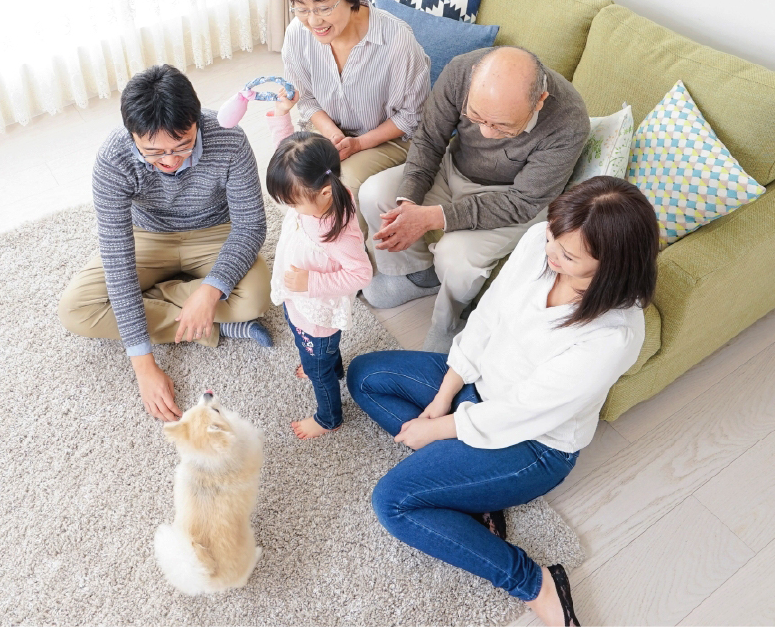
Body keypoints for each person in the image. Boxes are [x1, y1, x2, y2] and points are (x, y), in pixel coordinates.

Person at [348, 176, 660, 627]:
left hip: (534, 443)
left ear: (611, 266)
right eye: (553, 236)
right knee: (365, 376)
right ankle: (474, 489)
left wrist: (436, 430)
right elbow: (487, 317)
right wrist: (444, 395)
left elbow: (524, 410)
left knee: (393, 502)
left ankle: (534, 582)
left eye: (568, 256)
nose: (551, 252)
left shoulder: (615, 334)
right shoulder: (539, 242)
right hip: (477, 384)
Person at [58, 64, 272, 422]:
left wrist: (210, 291)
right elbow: (117, 257)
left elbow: (251, 226)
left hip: (214, 233)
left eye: (183, 145)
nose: (170, 160)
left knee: (257, 296)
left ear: (196, 122)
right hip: (147, 237)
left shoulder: (229, 137)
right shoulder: (113, 157)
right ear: (132, 135)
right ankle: (216, 326)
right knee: (76, 310)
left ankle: (174, 298)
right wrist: (144, 366)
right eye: (154, 152)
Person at [359, 46, 590, 353]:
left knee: (457, 258)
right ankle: (414, 275)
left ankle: (447, 323)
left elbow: (523, 202)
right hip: (452, 168)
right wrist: (410, 205)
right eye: (476, 117)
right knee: (374, 193)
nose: (486, 133)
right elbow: (429, 139)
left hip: (511, 199)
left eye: (503, 126)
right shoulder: (460, 70)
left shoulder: (569, 120)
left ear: (539, 101)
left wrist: (433, 217)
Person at [280, 0, 430, 239]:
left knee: (340, 182)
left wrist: (359, 144)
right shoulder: (297, 34)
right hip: (329, 130)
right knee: (296, 176)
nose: (313, 21)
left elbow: (411, 117)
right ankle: (316, 248)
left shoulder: (396, 40)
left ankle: (353, 255)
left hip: (390, 138)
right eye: (302, 8)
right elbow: (305, 98)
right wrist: (333, 134)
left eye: (324, 8)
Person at [264, 88, 374, 440]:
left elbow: (362, 273)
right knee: (315, 352)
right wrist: (282, 115)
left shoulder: (336, 231)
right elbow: (289, 159)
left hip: (317, 317)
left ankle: (329, 418)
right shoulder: (315, 188)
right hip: (300, 302)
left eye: (293, 203)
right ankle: (325, 362)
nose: (289, 208)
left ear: (324, 193)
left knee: (319, 372)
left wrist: (310, 283)